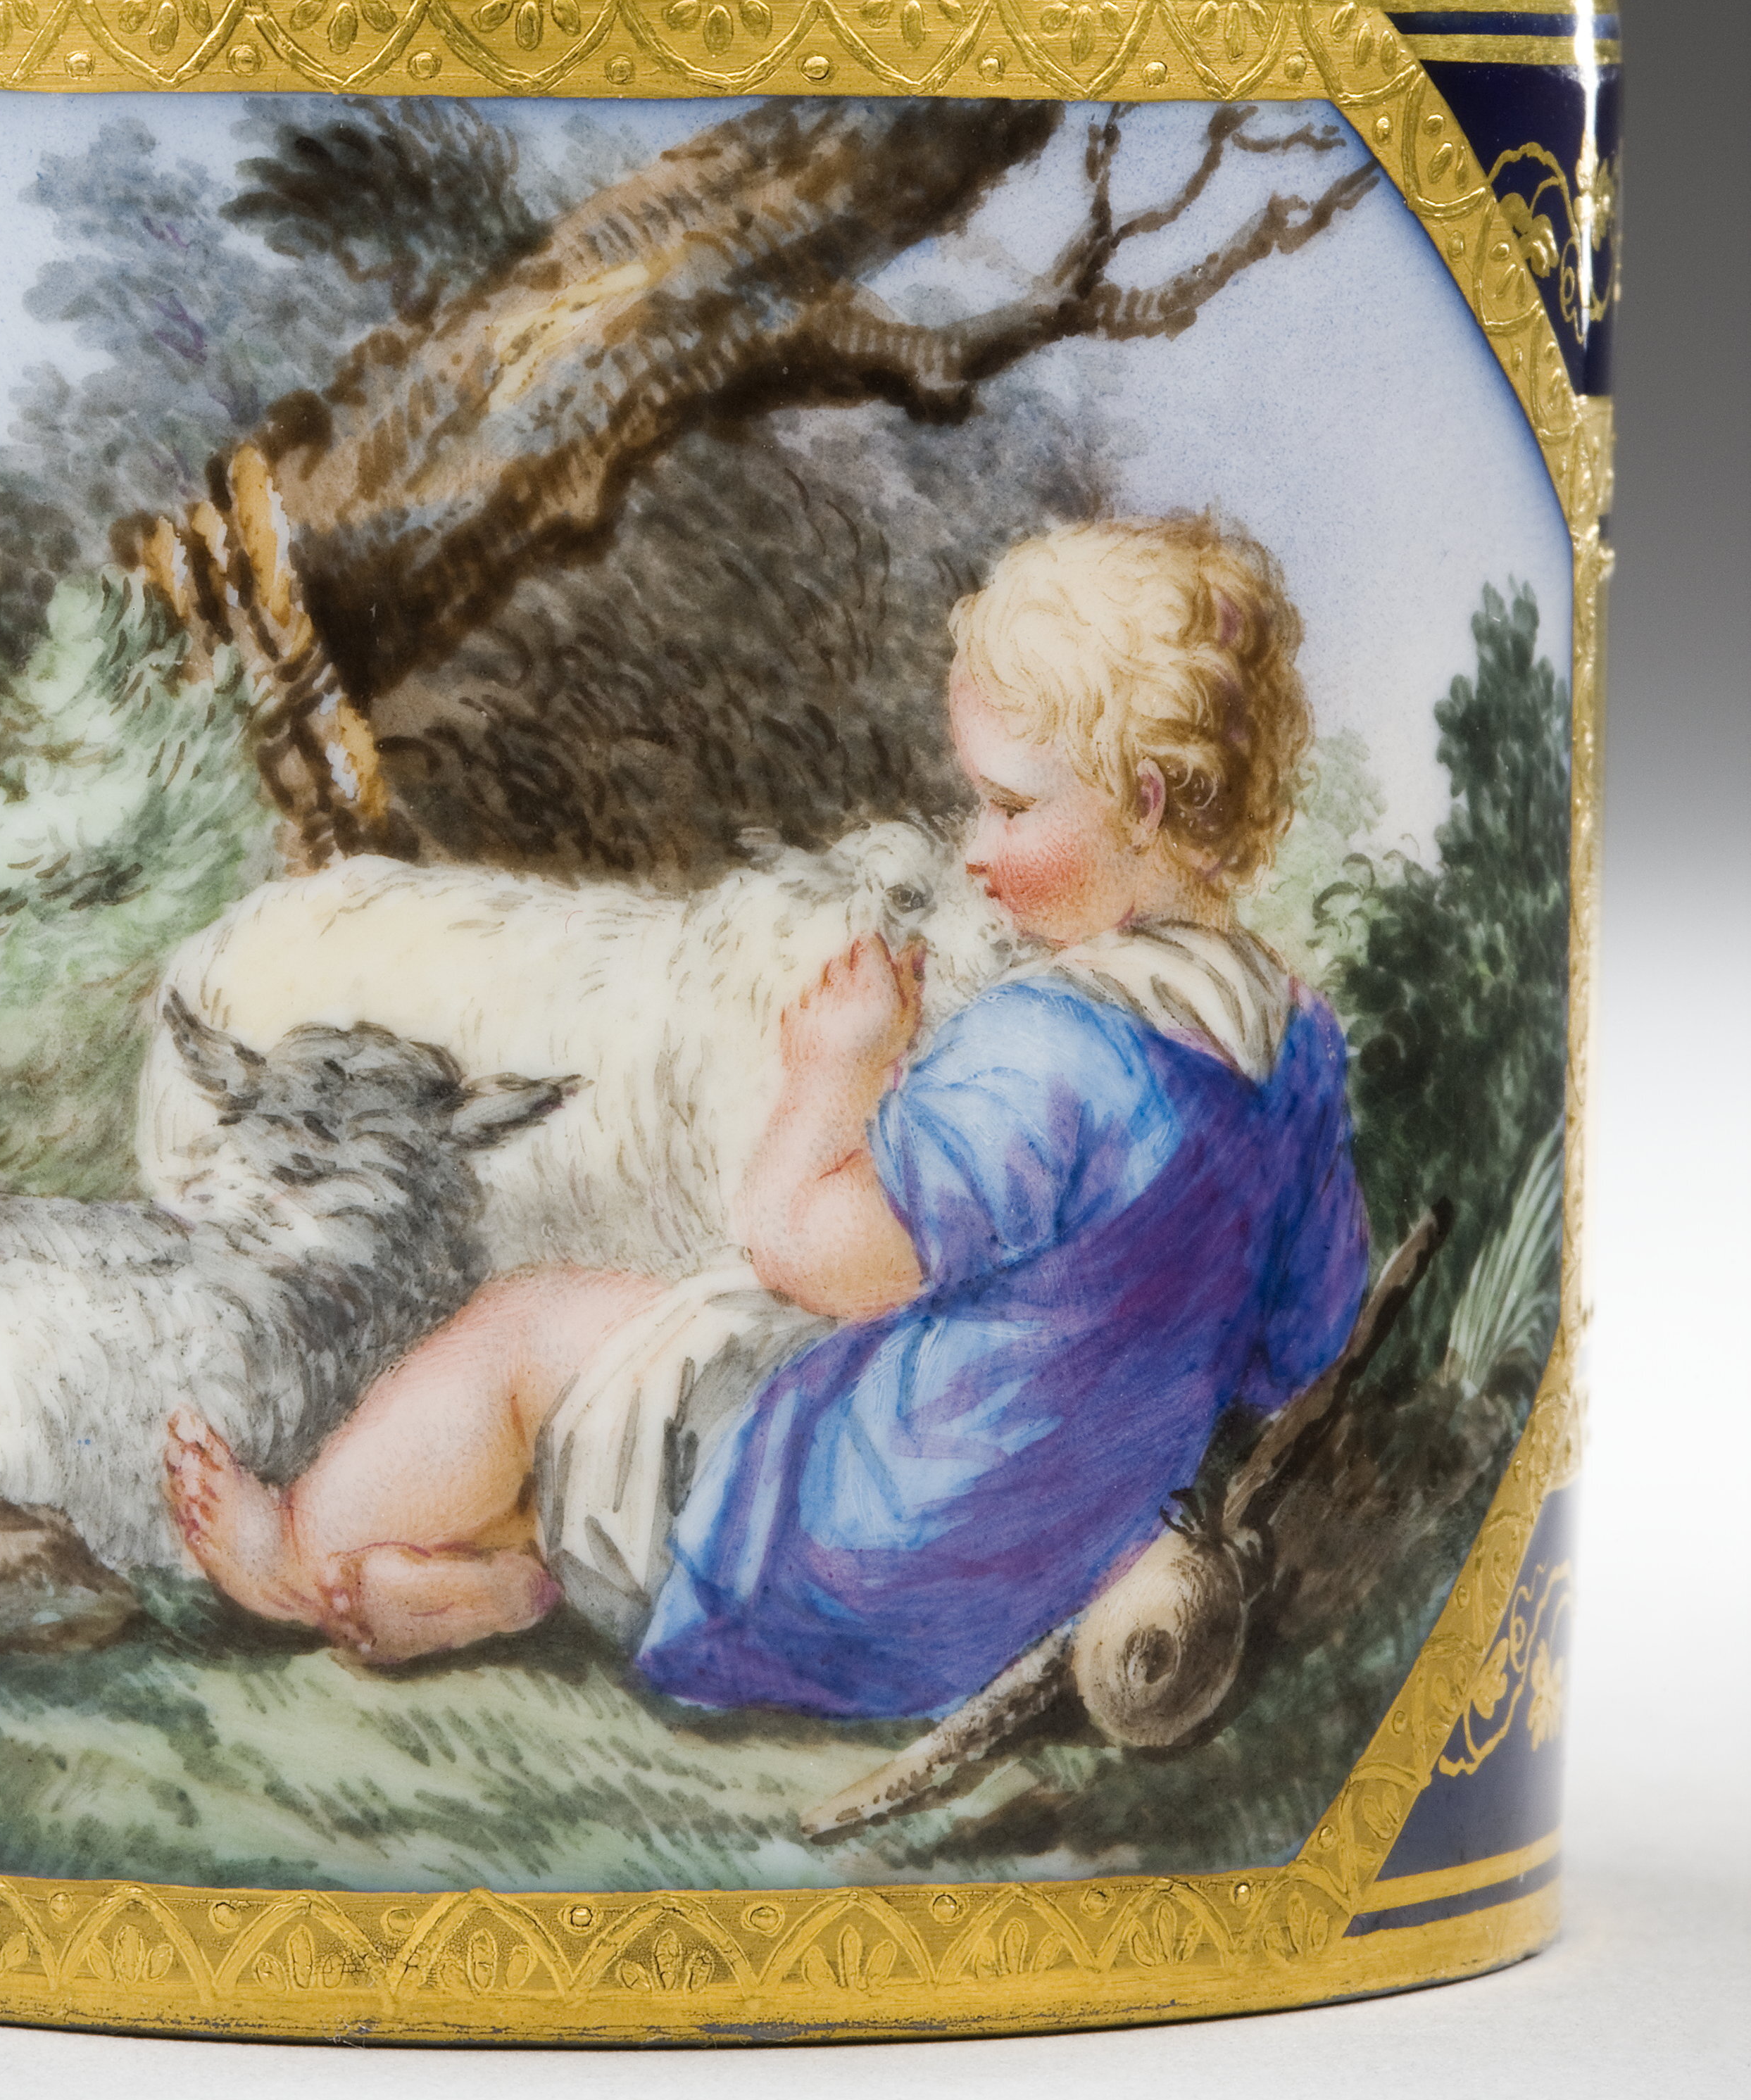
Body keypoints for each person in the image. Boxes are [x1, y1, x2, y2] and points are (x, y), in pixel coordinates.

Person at [164, 513, 1370, 1720]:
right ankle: (505, 1585)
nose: (974, 852)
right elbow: (1299, 1349)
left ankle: (300, 1552)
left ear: (1144, 803)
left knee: (535, 1331)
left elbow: (797, 1248)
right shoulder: (1297, 1050)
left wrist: (832, 1074)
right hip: (1052, 1577)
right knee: (688, 1356)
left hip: (845, 1576)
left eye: (1007, 808)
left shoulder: (1047, 1046)